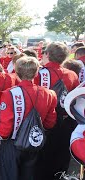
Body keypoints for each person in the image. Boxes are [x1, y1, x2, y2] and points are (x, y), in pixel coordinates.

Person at [0, 56, 57, 180]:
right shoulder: (50, 94)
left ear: (16, 72)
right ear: (36, 72)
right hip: (35, 142)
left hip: (12, 144)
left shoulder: (9, 94)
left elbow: (5, 127)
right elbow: (50, 123)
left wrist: (0, 137)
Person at [34, 42, 80, 180]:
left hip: (41, 122)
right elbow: (75, 100)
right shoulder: (72, 75)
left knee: (40, 160)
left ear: (47, 54)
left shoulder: (38, 74)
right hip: (65, 122)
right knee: (60, 159)